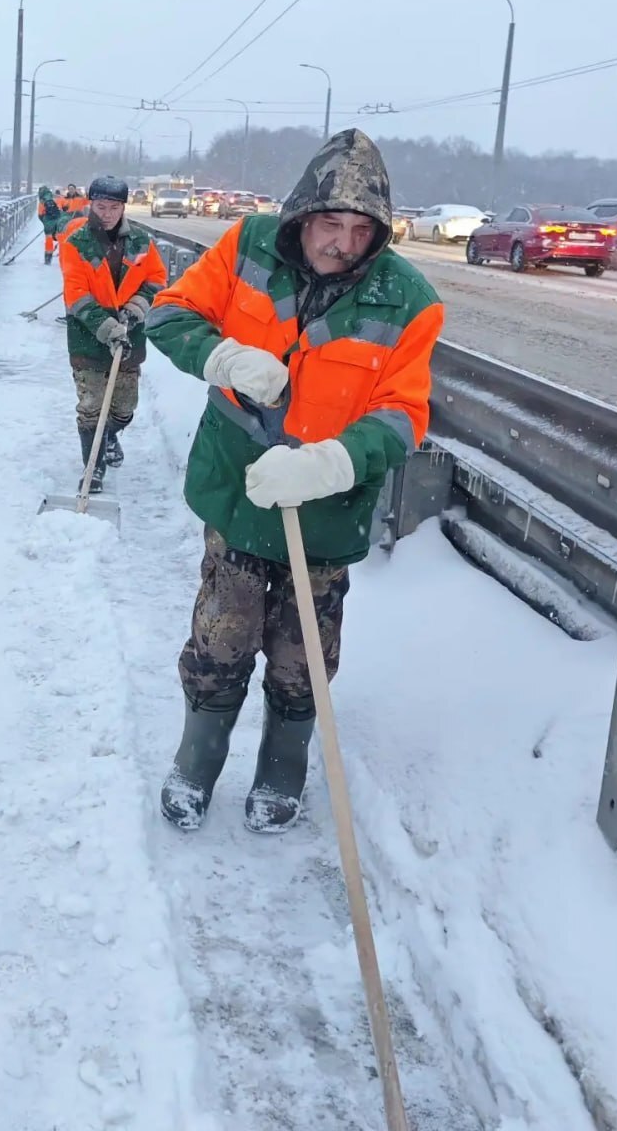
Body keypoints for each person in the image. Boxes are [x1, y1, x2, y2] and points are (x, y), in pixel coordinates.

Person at [145, 129, 444, 833]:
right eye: (330, 223)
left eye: (362, 230)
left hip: (325, 511)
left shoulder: (409, 299)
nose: (343, 243)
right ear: (303, 214)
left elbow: (402, 413)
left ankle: (282, 770)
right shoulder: (248, 246)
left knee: (302, 658)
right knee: (220, 642)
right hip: (238, 489)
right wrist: (221, 357)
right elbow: (169, 313)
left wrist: (329, 463)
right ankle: (197, 761)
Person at [60, 175, 167, 491]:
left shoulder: (141, 242)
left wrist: (134, 309)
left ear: (123, 208)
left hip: (130, 336)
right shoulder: (76, 243)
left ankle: (108, 436)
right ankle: (93, 468)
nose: (107, 214)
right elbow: (76, 295)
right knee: (91, 406)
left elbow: (157, 279)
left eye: (114, 207)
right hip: (88, 336)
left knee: (124, 407)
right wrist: (108, 328)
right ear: (91, 204)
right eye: (101, 207)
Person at [38, 185, 63, 263]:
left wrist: (45, 222)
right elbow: (62, 209)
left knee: (48, 239)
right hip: (58, 222)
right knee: (61, 238)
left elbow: (40, 214)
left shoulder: (42, 200)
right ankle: (63, 256)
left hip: (48, 223)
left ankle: (48, 258)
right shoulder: (55, 198)